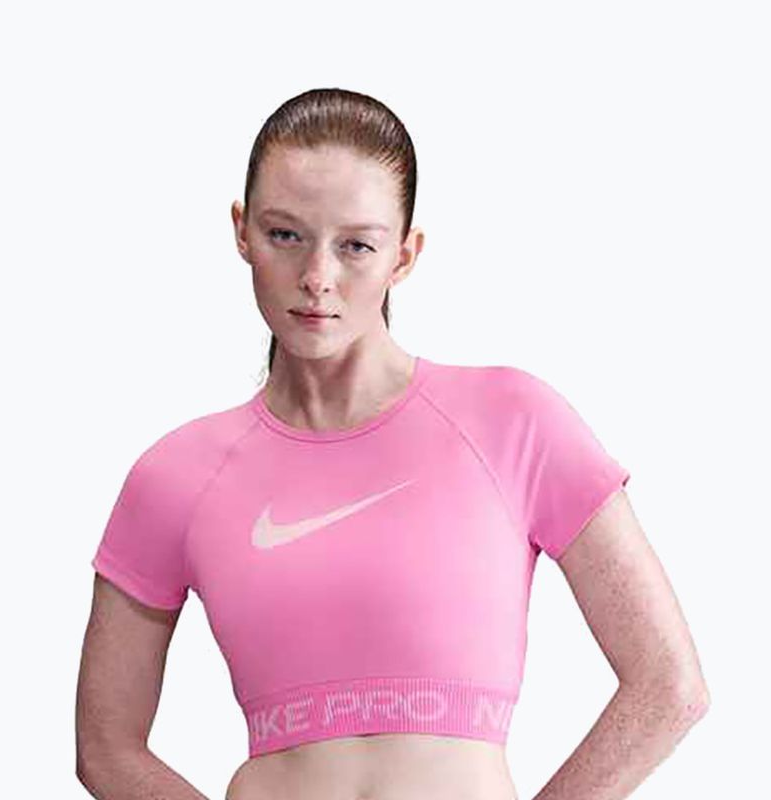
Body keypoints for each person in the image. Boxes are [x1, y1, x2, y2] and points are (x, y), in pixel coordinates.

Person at [75, 88, 710, 800]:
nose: (318, 278)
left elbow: (669, 685)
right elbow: (105, 748)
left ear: (404, 255)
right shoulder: (176, 475)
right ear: (241, 231)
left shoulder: (512, 421)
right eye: (285, 235)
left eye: (356, 245)